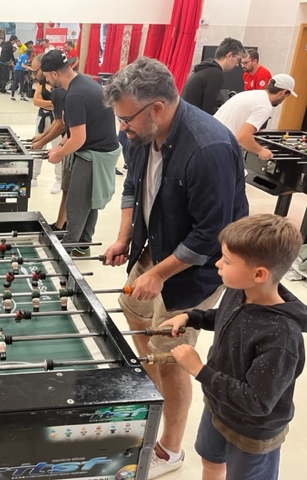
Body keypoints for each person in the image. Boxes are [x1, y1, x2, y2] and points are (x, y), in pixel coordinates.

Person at [102, 57, 248, 479]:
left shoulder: (208, 147)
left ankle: (170, 447)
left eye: (127, 119)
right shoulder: (139, 133)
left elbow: (209, 234)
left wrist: (159, 274)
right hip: (158, 245)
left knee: (171, 356)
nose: (122, 129)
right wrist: (125, 237)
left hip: (198, 267)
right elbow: (132, 186)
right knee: (134, 313)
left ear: (157, 108)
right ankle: (151, 399)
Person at [161, 214, 306, 480]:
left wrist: (199, 370)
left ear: (259, 274)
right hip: (219, 405)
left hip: (253, 430)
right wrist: (192, 317)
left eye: (227, 261)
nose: (218, 263)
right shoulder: (239, 290)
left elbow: (257, 402)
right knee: (211, 460)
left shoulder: (281, 338)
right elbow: (229, 319)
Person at [42, 50, 120, 257]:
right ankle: (83, 244)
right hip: (103, 148)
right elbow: (77, 128)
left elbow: (78, 139)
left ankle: (66, 250)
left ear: (55, 74)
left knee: (76, 203)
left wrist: (59, 155)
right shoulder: (84, 82)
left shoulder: (74, 96)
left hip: (94, 154)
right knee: (89, 200)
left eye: (47, 76)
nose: (47, 80)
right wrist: (60, 146)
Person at [214, 74, 297, 161]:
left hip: (209, 138)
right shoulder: (264, 106)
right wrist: (261, 150)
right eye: (287, 95)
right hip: (218, 148)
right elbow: (243, 137)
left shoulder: (248, 94)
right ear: (283, 92)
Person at [30, 54, 68, 226]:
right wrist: (41, 139)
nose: (35, 74)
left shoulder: (60, 90)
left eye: (36, 70)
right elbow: (36, 101)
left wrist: (58, 147)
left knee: (57, 150)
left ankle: (59, 180)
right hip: (47, 119)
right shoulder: (45, 83)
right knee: (41, 147)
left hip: (69, 133)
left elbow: (60, 124)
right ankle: (34, 176)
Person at [181, 37, 246, 114]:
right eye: (238, 60)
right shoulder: (215, 74)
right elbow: (208, 109)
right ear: (229, 55)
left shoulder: (205, 68)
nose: (237, 65)